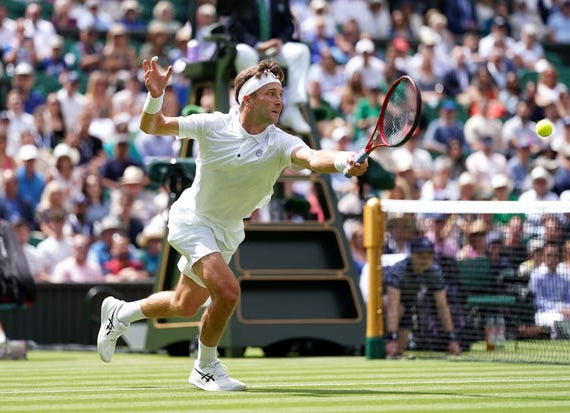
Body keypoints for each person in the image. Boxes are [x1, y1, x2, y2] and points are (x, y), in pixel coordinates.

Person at [96, 58, 367, 391]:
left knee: (185, 304)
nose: (279, 101)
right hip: (192, 220)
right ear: (247, 99)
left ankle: (119, 313)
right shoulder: (212, 125)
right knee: (227, 292)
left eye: (281, 94)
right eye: (270, 93)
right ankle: (205, 368)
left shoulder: (280, 141)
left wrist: (343, 160)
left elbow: (312, 158)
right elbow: (153, 126)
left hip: (227, 231)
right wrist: (155, 96)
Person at [230, 0, 312, 134]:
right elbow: (233, 25)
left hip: (274, 49)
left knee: (300, 51)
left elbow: (288, 25)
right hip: (249, 46)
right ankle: (250, 108)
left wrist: (279, 41)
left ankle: (292, 108)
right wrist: (257, 44)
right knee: (244, 53)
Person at [383, 237, 462, 357]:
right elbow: (392, 307)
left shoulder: (434, 271)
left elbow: (442, 306)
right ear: (412, 255)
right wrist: (392, 338)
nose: (425, 259)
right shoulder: (398, 272)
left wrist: (452, 338)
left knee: (400, 348)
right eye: (420, 254)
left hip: (408, 304)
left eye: (429, 255)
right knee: (398, 309)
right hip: (381, 305)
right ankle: (383, 339)